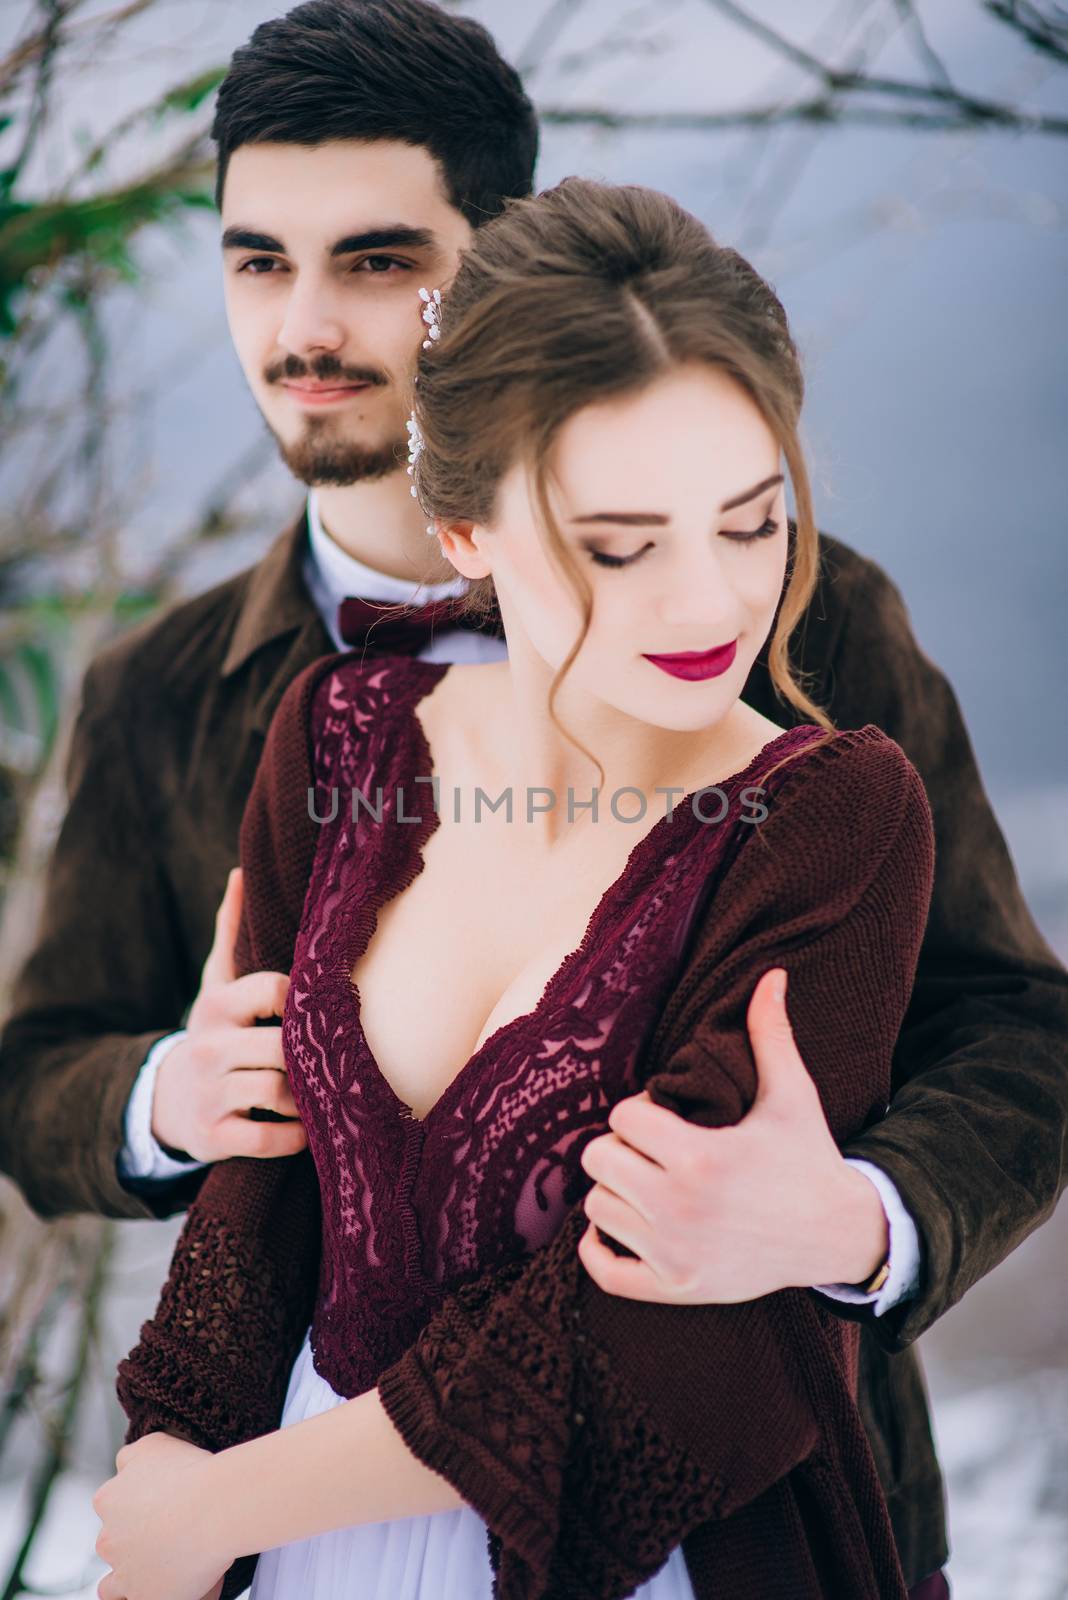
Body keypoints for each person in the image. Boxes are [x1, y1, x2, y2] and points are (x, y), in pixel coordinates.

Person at [1, 3, 1064, 1595]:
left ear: (494, 271)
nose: (304, 326)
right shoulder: (201, 698)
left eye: (373, 261)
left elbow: (1015, 1028)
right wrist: (172, 1095)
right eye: (254, 261)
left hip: (721, 1502)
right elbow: (49, 1074)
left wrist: (857, 1218)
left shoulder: (810, 633)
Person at [100, 176, 935, 1600]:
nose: (709, 604)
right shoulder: (340, 731)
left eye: (750, 523)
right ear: (471, 532)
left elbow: (661, 1331)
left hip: (639, 1554)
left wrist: (230, 1500)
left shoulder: (834, 817)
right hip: (289, 1549)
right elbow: (263, 1180)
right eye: (620, 545)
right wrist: (171, 1473)